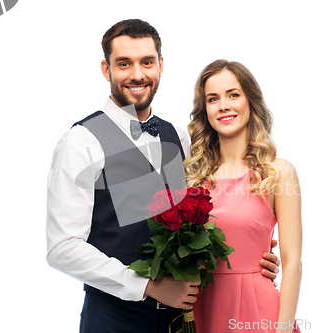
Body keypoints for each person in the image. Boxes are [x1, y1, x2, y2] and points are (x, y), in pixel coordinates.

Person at [46, 20, 280, 333]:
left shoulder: (180, 139)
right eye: (124, 63)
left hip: (182, 319)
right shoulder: (81, 140)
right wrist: (146, 286)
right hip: (114, 319)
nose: (138, 74)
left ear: (160, 66)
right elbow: (62, 248)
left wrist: (251, 258)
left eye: (147, 62)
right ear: (106, 69)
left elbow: (204, 220)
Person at [186, 60, 302, 333]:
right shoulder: (193, 176)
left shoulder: (278, 172)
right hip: (201, 309)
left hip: (257, 314)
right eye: (213, 99)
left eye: (233, 94)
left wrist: (282, 330)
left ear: (251, 101)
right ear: (206, 110)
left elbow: (293, 262)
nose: (223, 105)